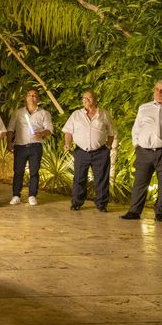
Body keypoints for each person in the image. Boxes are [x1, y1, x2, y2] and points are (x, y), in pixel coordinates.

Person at [62, 91, 116, 212]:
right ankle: (76, 203)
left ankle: (102, 204)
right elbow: (68, 131)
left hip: (100, 152)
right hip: (81, 152)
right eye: (84, 98)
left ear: (96, 100)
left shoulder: (104, 114)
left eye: (89, 98)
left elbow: (111, 132)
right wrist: (67, 144)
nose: (86, 100)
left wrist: (108, 146)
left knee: (101, 179)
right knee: (79, 178)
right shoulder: (76, 114)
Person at [121, 79, 162, 222]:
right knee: (140, 182)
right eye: (157, 89)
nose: (159, 93)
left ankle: (160, 212)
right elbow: (136, 128)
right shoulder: (144, 108)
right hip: (144, 151)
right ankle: (134, 211)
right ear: (154, 91)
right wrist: (136, 144)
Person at [7, 89, 53, 206]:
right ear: (26, 98)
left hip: (35, 146)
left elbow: (49, 129)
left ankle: (32, 195)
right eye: (30, 95)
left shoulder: (44, 113)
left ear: (38, 99)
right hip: (20, 146)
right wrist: (9, 142)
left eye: (35, 96)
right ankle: (16, 195)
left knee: (34, 172)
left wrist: (41, 134)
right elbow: (11, 129)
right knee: (18, 172)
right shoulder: (18, 113)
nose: (32, 97)